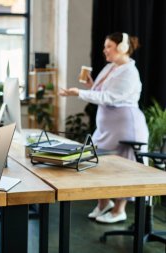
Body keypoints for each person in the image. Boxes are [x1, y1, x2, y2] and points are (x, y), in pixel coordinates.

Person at [59, 32, 149, 224]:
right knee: (96, 162)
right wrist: (87, 87)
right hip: (107, 128)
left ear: (122, 48)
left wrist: (80, 93)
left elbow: (109, 97)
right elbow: (99, 92)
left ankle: (119, 210)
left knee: (123, 168)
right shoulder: (111, 67)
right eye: (104, 46)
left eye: (109, 46)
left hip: (125, 127)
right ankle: (104, 203)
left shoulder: (129, 72)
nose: (104, 50)